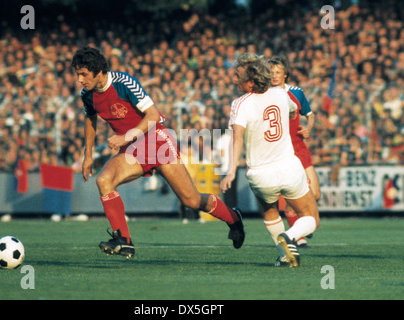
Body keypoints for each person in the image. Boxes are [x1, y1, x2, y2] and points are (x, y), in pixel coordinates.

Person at [71, 46, 244, 258]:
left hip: (156, 142)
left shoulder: (123, 82)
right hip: (132, 149)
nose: (79, 79)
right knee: (104, 180)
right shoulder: (87, 94)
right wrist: (88, 155)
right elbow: (90, 118)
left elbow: (153, 115)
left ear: (98, 71)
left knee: (190, 200)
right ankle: (124, 240)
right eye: (78, 74)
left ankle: (233, 218)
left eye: (83, 74)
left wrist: (125, 137)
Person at [220, 53, 320, 267]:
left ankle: (285, 255)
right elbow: (294, 112)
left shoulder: (240, 103)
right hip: (289, 167)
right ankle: (291, 236)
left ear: (251, 81)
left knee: (270, 210)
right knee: (311, 218)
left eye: (238, 76)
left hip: (260, 174)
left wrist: (230, 171)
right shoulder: (280, 94)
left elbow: (237, 138)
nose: (234, 79)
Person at [269, 56, 321, 248]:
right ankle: (298, 235)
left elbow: (310, 115)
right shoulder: (265, 94)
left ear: (285, 74)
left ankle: (303, 224)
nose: (274, 76)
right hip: (281, 149)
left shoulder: (296, 92)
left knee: (315, 193)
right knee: (290, 194)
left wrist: (309, 128)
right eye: (271, 73)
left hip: (299, 145)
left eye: (277, 72)